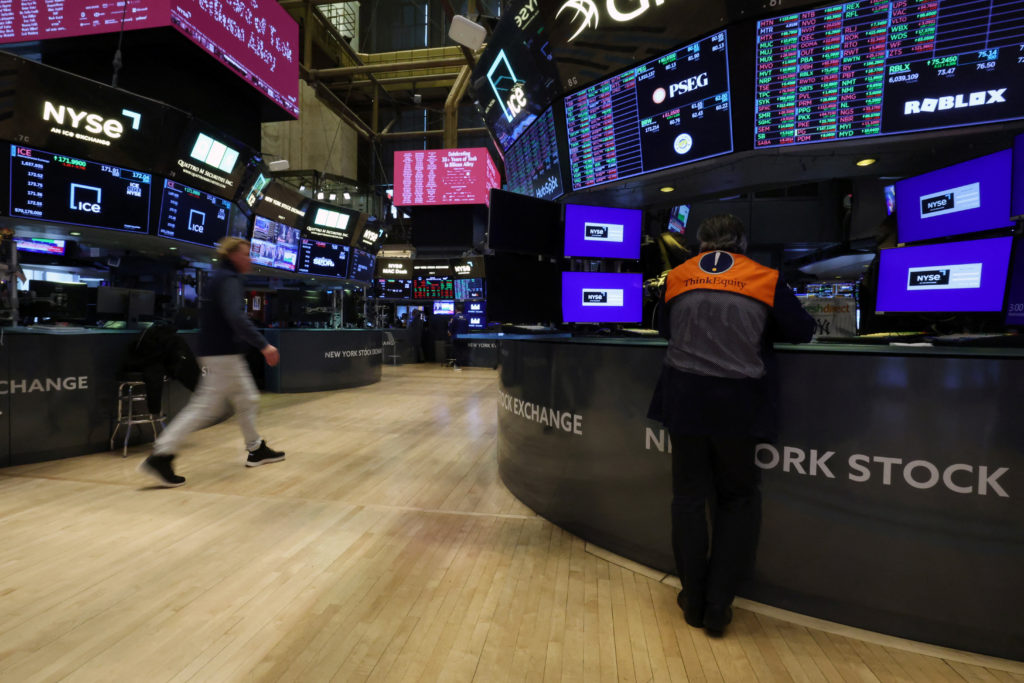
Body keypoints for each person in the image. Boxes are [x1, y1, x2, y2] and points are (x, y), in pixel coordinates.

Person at [648, 214, 815, 636]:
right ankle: (719, 607)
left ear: (699, 242)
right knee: (737, 500)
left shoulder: (678, 276)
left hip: (684, 400)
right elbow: (802, 331)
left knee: (687, 499)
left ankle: (692, 600)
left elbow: (663, 328)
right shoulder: (765, 277)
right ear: (741, 241)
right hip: (739, 406)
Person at [139, 237, 285, 487]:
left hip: (222, 352)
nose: (250, 258)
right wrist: (264, 345)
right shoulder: (228, 279)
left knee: (247, 399)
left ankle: (255, 448)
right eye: (246, 254)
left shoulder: (222, 277)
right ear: (233, 256)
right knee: (205, 408)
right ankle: (161, 454)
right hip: (223, 354)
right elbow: (235, 316)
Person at [447, 302, 470, 370]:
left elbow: (450, 329)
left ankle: (456, 365)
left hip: (456, 337)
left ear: (456, 309)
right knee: (462, 351)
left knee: (457, 351)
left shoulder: (454, 317)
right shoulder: (466, 317)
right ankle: (457, 364)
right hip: (464, 337)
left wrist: (449, 332)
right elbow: (467, 328)